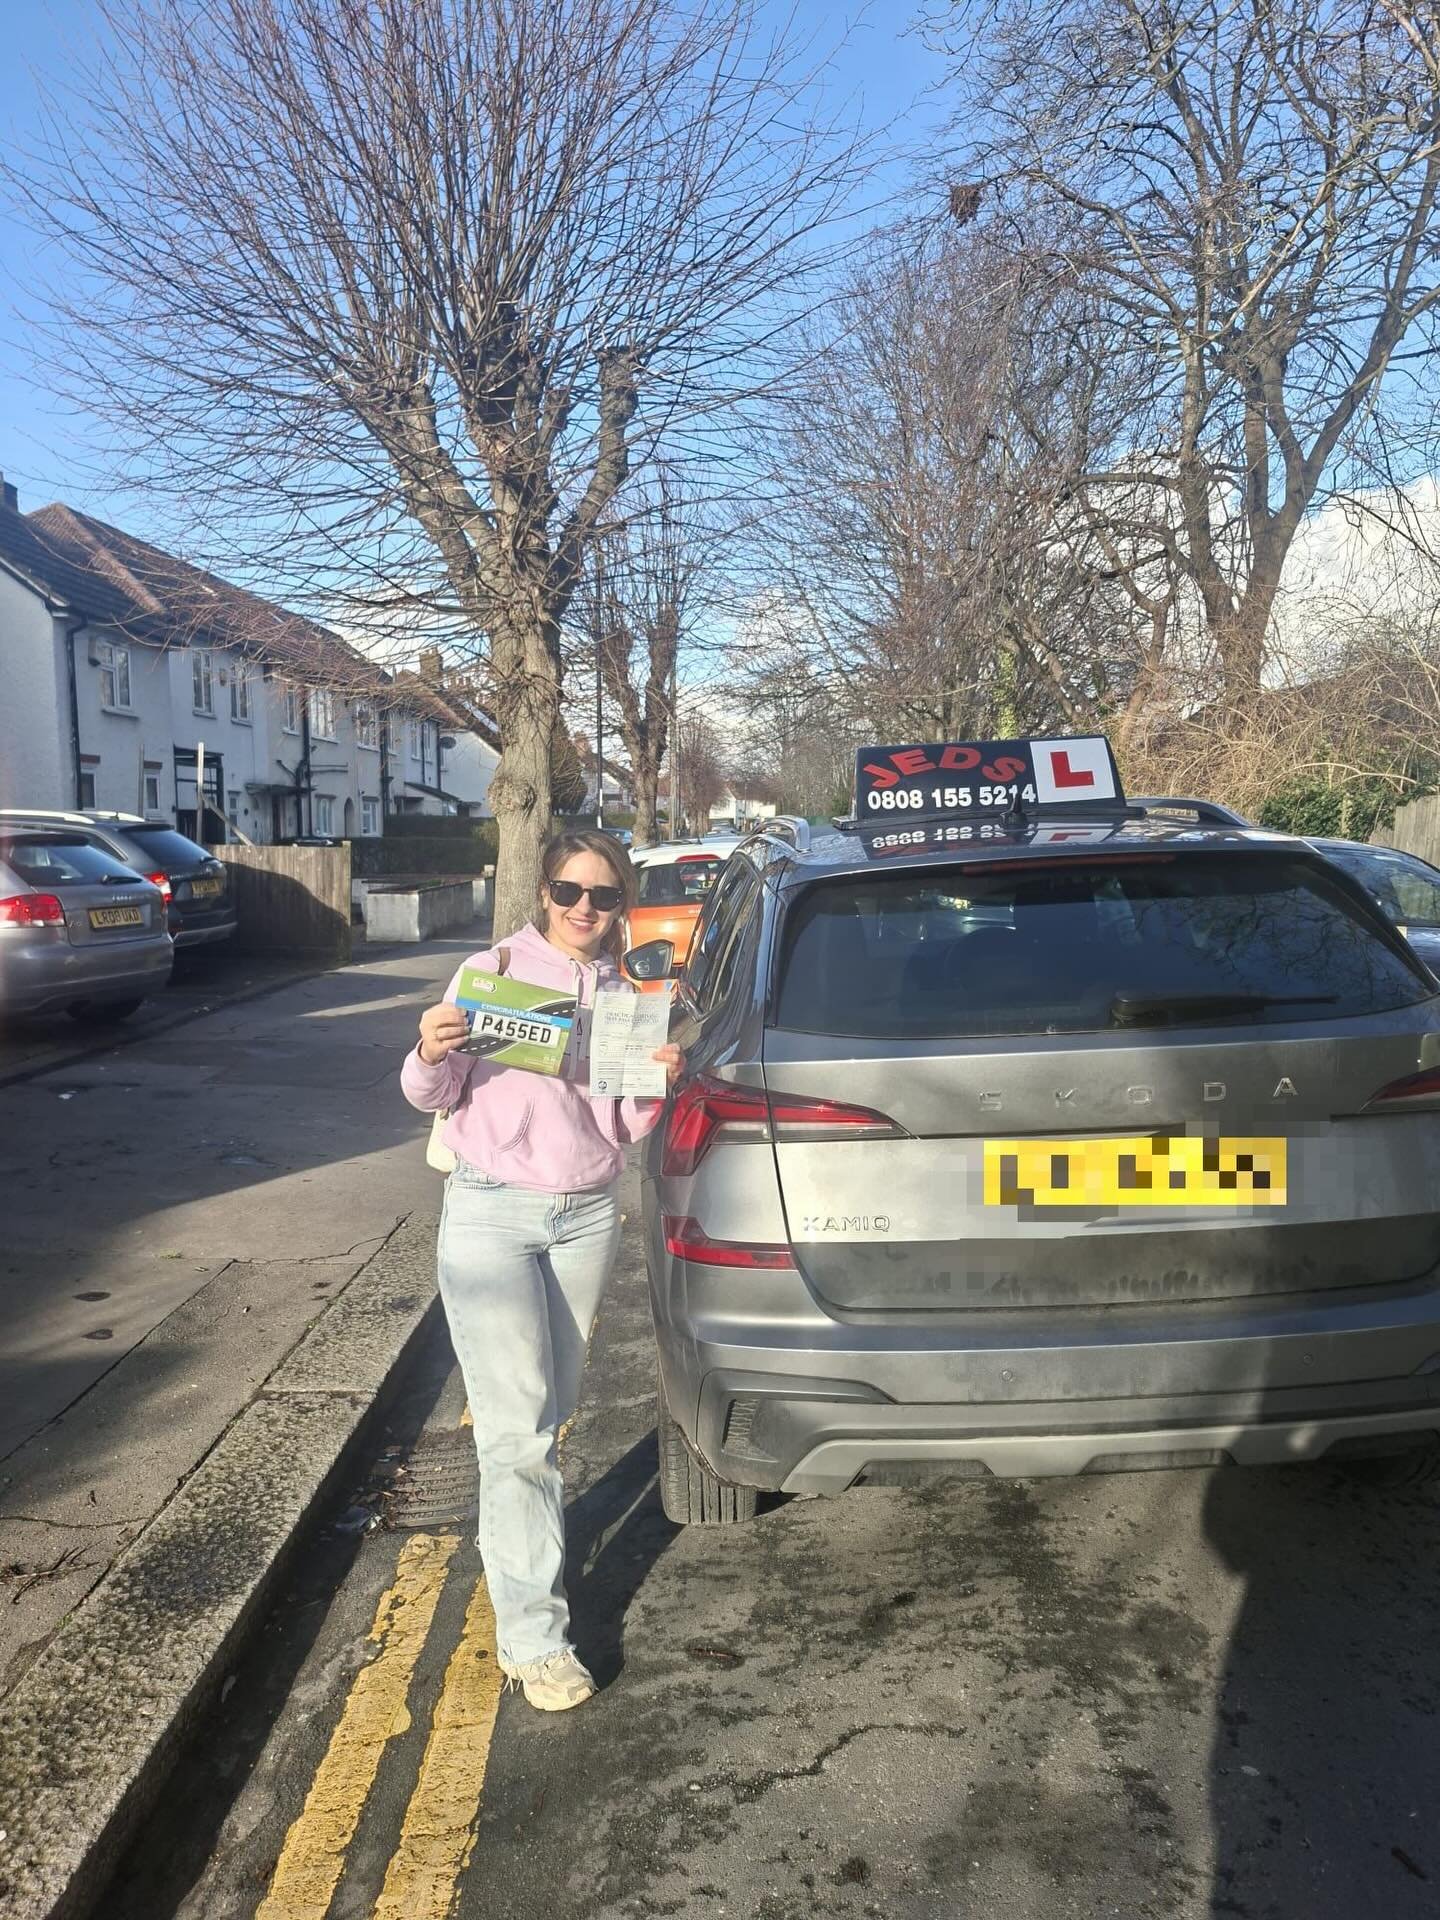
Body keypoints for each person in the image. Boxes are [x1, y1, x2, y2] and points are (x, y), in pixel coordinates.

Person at [401, 829, 682, 1712]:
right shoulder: (490, 973)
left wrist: (657, 1080)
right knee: (517, 1435)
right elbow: (429, 1096)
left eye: (601, 896)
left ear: (618, 903)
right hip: (490, 1210)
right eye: (568, 892)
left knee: (547, 1417)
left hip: (586, 1215)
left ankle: (521, 1552)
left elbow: (624, 1126)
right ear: (543, 893)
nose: (583, 911)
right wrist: (432, 1052)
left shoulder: (625, 993)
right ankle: (535, 1641)